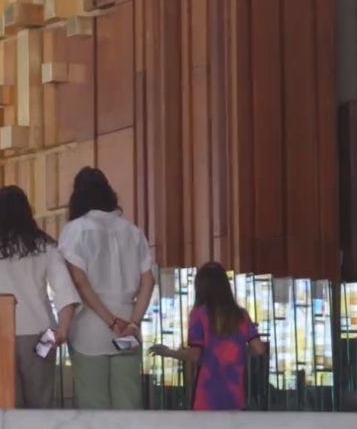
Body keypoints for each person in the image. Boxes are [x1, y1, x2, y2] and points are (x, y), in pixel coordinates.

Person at [0, 186, 80, 409]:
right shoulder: (44, 245)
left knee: (4, 403)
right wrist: (62, 329)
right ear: (27, 211)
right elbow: (65, 292)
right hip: (42, 334)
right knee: (41, 404)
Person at [58, 167, 155, 410]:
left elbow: (80, 282)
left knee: (94, 406)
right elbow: (148, 281)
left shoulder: (75, 230)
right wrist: (133, 322)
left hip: (90, 327)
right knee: (128, 403)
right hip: (128, 325)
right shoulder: (133, 232)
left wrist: (111, 321)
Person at [150, 262, 267, 411]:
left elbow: (195, 355)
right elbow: (259, 349)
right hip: (235, 394)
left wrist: (168, 352)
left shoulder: (199, 314)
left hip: (207, 395)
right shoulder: (241, 315)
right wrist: (240, 348)